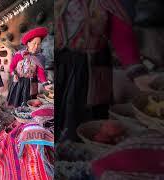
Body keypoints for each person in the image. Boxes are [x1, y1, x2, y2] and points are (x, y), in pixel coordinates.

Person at [55, 0, 148, 141]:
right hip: (61, 66)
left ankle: (85, 151)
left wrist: (136, 72)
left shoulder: (105, 2)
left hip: (91, 69)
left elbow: (121, 35)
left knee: (87, 122)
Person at [7, 27, 52, 107]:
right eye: (34, 43)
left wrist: (45, 84)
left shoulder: (39, 57)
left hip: (31, 83)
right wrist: (14, 74)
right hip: (19, 82)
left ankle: (27, 116)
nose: (36, 46)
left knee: (29, 103)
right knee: (17, 100)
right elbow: (12, 66)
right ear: (28, 43)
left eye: (39, 44)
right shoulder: (19, 55)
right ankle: (18, 114)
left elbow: (41, 73)